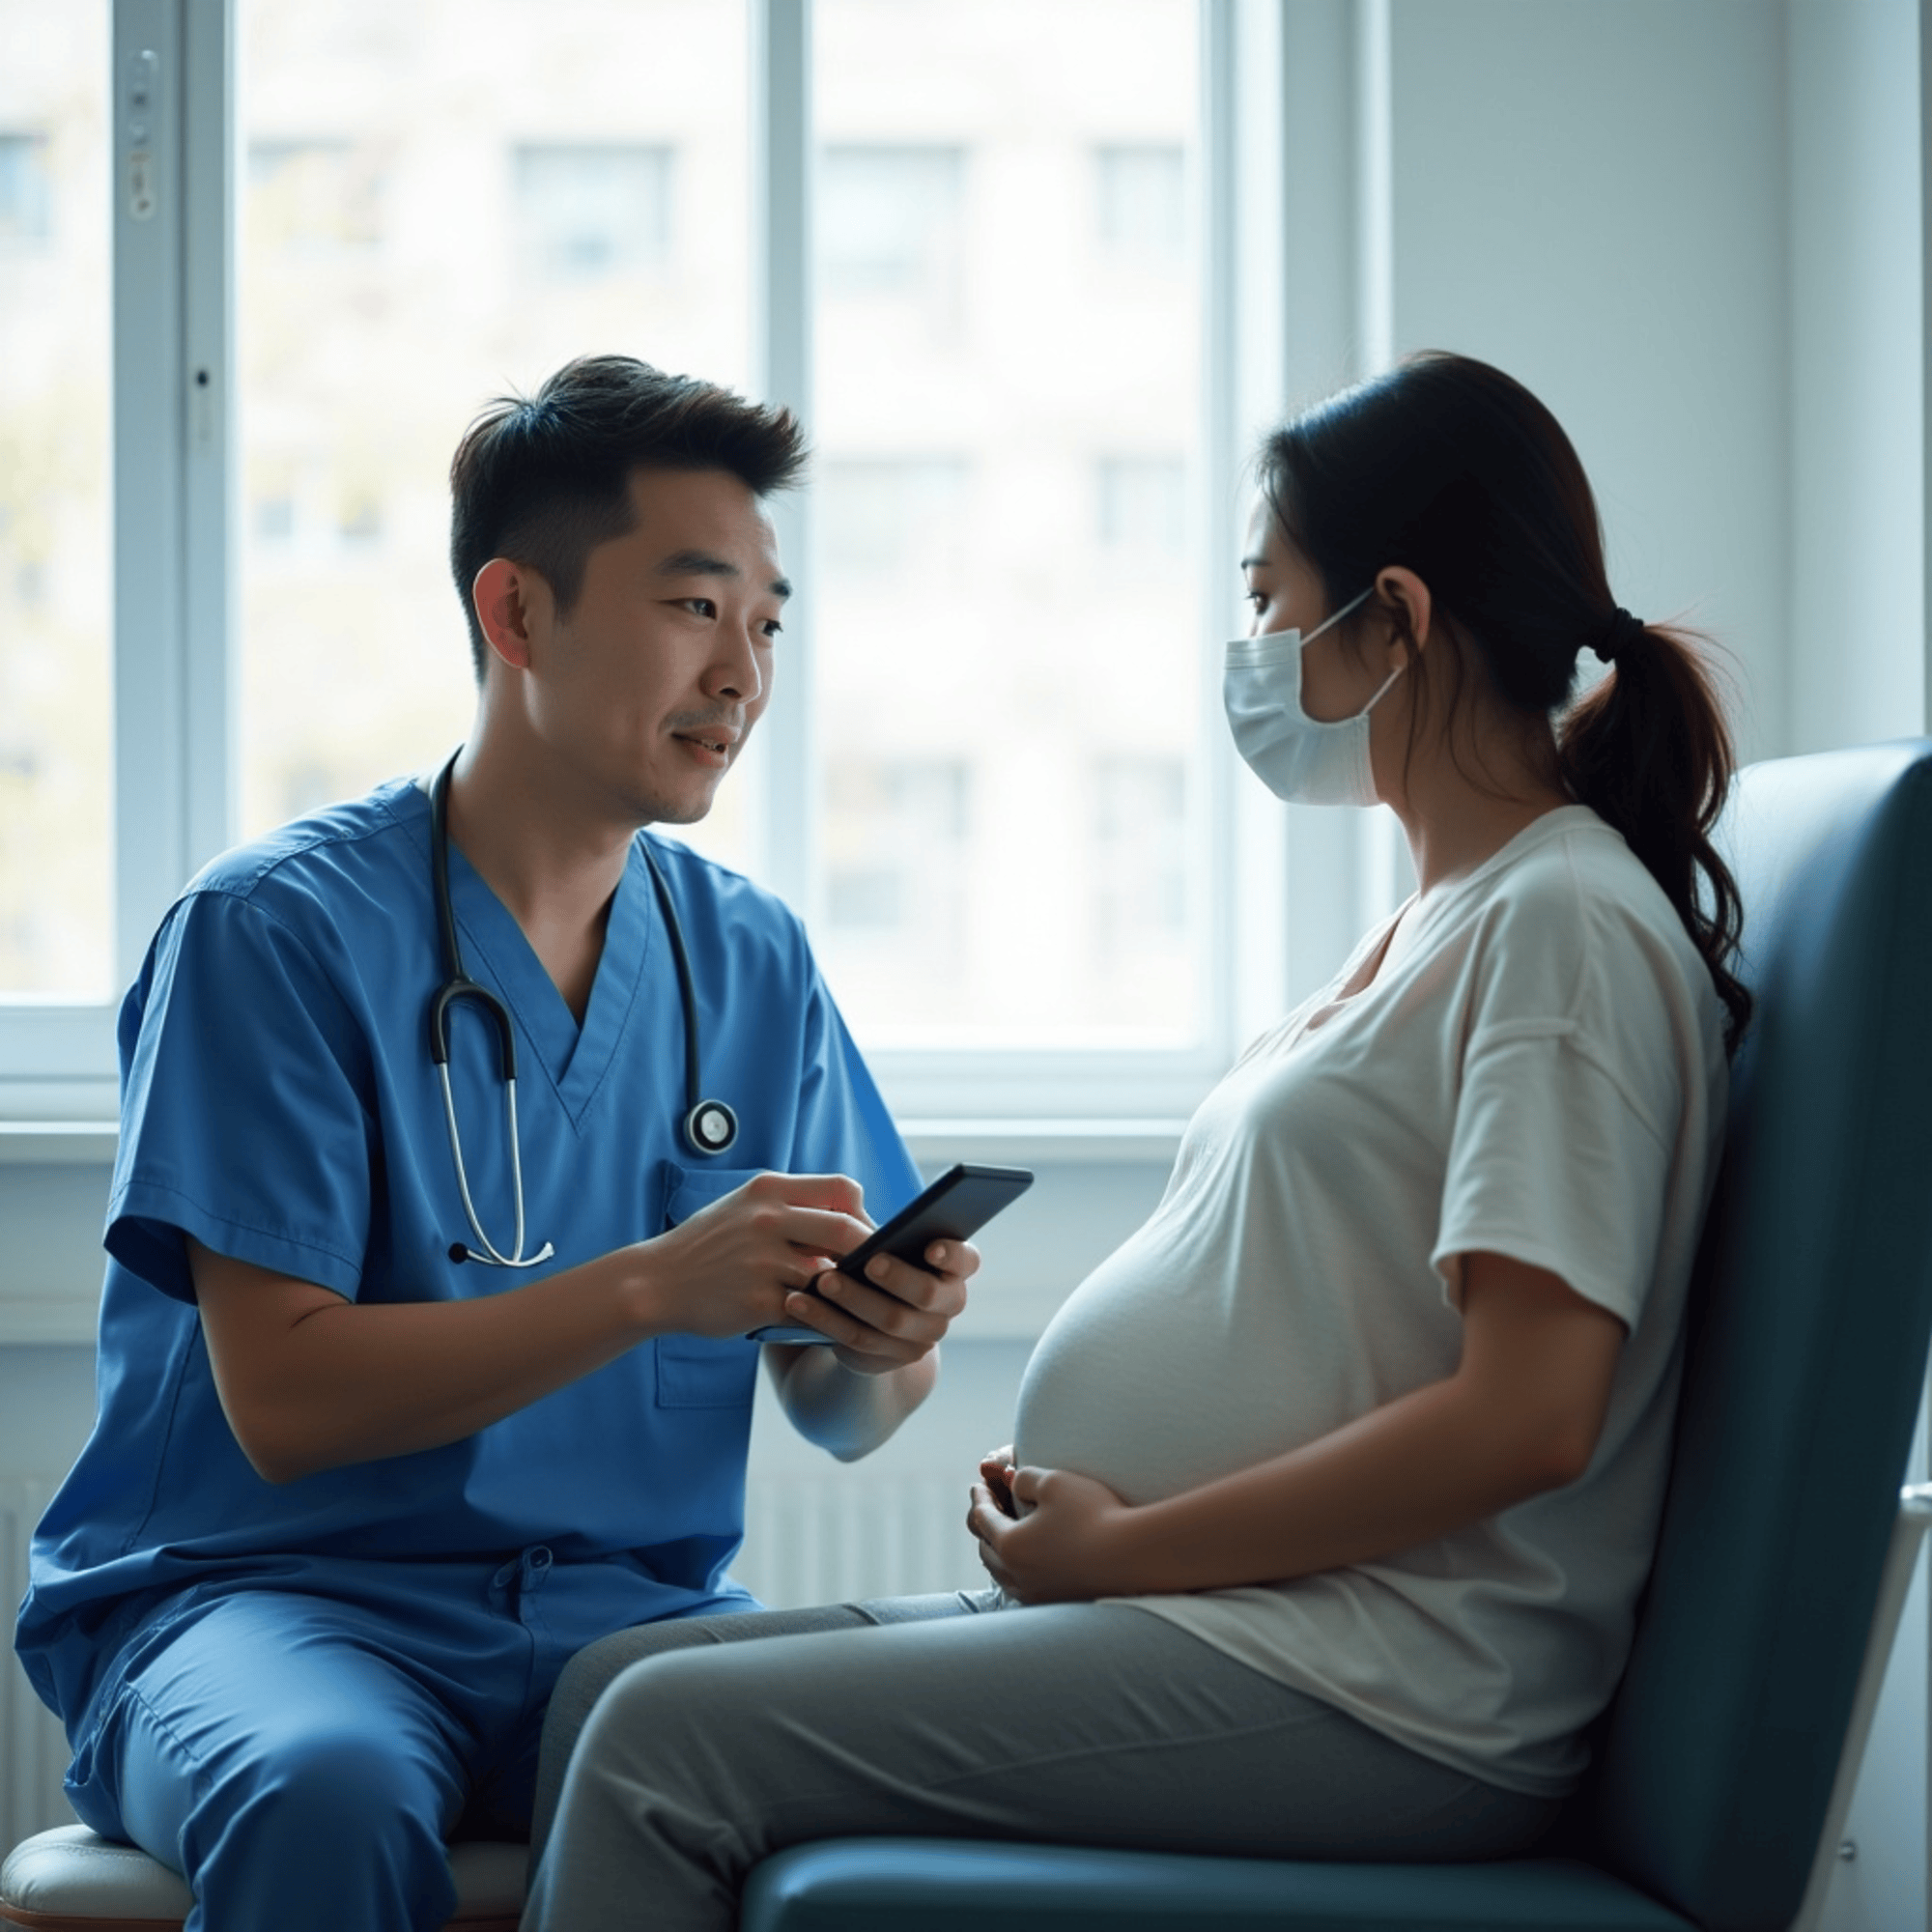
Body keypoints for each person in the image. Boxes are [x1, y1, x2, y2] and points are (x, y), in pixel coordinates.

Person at [518, 351, 1747, 1932]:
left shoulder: (1562, 929)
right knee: (626, 1679)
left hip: (1388, 1688)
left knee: (662, 1744)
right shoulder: (1447, 920)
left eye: (1266, 599)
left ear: (1395, 618)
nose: (1250, 650)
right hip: (1250, 1627)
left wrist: (1132, 1552)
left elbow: (1529, 1418)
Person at [13, 354, 979, 1932]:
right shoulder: (276, 935)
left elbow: (847, 1417)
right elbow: (289, 1402)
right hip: (269, 1611)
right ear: (516, 615)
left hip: (622, 1625)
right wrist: (650, 1289)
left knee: (912, 1782)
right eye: (693, 607)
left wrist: (884, 1338)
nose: (743, 673)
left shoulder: (752, 958)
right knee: (323, 1791)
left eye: (769, 623)